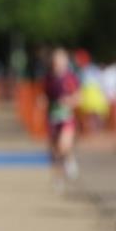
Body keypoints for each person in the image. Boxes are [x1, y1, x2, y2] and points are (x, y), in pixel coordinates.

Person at [43, 47, 80, 191]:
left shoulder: (70, 77)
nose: (58, 63)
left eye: (61, 60)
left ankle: (70, 160)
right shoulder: (48, 78)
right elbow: (46, 95)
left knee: (64, 145)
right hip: (53, 117)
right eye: (56, 60)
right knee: (55, 150)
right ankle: (58, 178)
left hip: (66, 117)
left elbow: (78, 97)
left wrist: (69, 101)